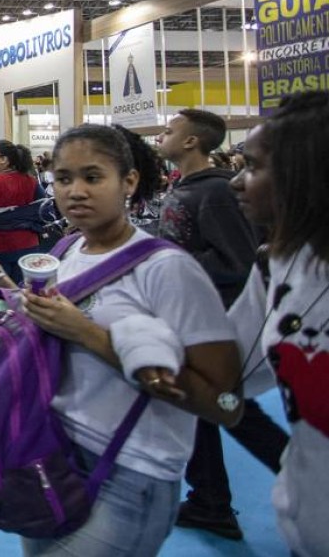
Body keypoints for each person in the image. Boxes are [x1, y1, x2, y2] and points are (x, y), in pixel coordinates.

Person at [0, 123, 242, 556]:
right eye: (64, 179)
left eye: (93, 177)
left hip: (131, 473)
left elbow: (226, 404)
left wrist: (90, 335)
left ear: (130, 181)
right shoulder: (63, 253)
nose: (76, 191)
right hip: (51, 456)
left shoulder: (166, 269)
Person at [156, 108, 289, 540]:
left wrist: (168, 264)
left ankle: (298, 476)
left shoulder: (214, 192)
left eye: (170, 129)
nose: (162, 134)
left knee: (232, 408)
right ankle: (209, 501)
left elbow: (236, 259)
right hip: (191, 317)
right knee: (200, 408)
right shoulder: (188, 188)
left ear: (193, 141)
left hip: (217, 322)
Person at [228, 92, 329, 557]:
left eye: (252, 166)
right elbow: (229, 376)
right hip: (306, 529)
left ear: (303, 172)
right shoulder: (278, 264)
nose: (238, 180)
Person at [0, 139, 44, 288]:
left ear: (4, 160)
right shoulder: (32, 182)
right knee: (26, 295)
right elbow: (43, 210)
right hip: (29, 248)